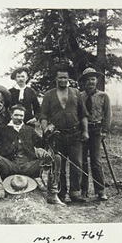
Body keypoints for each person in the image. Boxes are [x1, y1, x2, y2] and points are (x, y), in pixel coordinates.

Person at [40, 64, 89, 203]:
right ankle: (60, 194)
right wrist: (45, 130)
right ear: (56, 78)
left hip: (75, 134)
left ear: (69, 78)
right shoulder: (49, 95)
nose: (63, 80)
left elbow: (83, 114)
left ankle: (75, 193)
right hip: (57, 136)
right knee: (58, 166)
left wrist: (85, 131)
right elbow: (43, 116)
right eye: (60, 77)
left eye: (65, 77)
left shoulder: (76, 93)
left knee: (77, 164)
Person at [79, 67, 112, 201]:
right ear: (84, 82)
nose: (90, 82)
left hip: (97, 130)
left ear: (97, 80)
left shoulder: (103, 96)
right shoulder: (79, 96)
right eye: (87, 80)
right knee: (82, 161)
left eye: (92, 79)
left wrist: (104, 130)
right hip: (83, 130)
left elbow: (108, 114)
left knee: (96, 161)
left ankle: (100, 190)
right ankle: (83, 190)